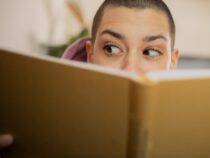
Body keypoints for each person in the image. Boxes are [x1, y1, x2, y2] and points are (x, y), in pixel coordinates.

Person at [0, 0, 179, 150]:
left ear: (172, 62)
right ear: (90, 54)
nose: (129, 70)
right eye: (111, 48)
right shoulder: (37, 120)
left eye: (151, 53)